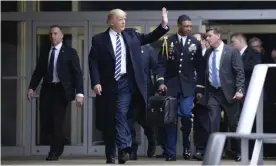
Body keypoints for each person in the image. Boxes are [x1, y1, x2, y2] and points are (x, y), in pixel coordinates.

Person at [88, 8, 169, 164]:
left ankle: (124, 148)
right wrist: (96, 82)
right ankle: (111, 154)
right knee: (110, 120)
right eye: (120, 19)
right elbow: (93, 63)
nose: (123, 21)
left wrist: (163, 25)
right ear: (111, 21)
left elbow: (150, 37)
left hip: (126, 83)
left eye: (124, 18)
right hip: (108, 85)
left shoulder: (132, 34)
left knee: (121, 114)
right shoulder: (99, 40)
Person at [27, 25, 84, 161]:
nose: (53, 36)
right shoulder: (46, 51)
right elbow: (39, 71)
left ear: (62, 35)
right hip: (47, 89)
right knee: (46, 121)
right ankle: (60, 138)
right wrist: (31, 88)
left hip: (61, 90)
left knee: (57, 121)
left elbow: (77, 74)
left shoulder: (70, 52)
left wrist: (79, 93)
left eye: (56, 33)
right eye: (51, 34)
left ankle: (54, 152)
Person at [156, 15, 205, 161]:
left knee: (185, 114)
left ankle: (186, 148)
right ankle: (170, 152)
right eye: (186, 26)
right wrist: (160, 82)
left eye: (190, 26)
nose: (189, 28)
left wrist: (199, 88)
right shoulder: (168, 41)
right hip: (170, 86)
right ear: (179, 25)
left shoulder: (194, 42)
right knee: (170, 119)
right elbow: (161, 65)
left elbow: (200, 67)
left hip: (188, 87)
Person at [200, 26, 245, 162]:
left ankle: (239, 151)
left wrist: (240, 89)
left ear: (218, 36)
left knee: (233, 123)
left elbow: (239, 72)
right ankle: (216, 153)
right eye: (206, 36)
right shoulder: (208, 52)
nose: (207, 38)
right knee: (213, 122)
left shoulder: (231, 52)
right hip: (213, 93)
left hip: (229, 93)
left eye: (209, 36)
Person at [128, 44, 157, 160]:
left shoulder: (148, 49)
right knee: (130, 120)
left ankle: (151, 139)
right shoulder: (126, 47)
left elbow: (155, 67)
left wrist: (158, 85)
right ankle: (132, 150)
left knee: (144, 119)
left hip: (145, 90)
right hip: (130, 90)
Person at [192, 32, 210, 160]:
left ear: (204, 42)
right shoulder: (190, 55)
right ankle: (198, 149)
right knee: (197, 123)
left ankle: (205, 150)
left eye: (198, 41)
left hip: (206, 93)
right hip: (190, 92)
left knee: (205, 122)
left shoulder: (209, 54)